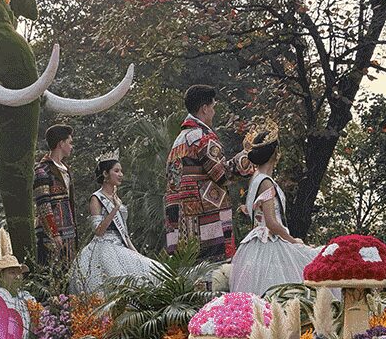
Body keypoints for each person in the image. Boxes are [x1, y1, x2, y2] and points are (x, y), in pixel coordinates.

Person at [229, 122, 320, 296]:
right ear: (274, 154)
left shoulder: (256, 179)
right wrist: (293, 240)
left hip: (256, 245)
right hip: (269, 242)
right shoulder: (265, 182)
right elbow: (271, 222)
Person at [70, 152, 159, 295]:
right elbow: (98, 231)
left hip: (121, 246)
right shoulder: (96, 198)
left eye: (121, 171)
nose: (121, 174)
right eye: (116, 171)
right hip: (103, 246)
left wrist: (136, 254)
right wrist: (115, 208)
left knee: (150, 270)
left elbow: (124, 233)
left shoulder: (116, 197)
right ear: (105, 174)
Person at [165, 85, 237, 260]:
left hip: (180, 227)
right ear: (204, 108)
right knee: (214, 278)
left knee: (190, 280)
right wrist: (248, 157)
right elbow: (222, 174)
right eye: (213, 107)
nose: (213, 112)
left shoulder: (179, 141)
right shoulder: (202, 137)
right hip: (207, 227)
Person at [34, 124, 78, 266]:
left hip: (69, 231)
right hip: (51, 235)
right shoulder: (42, 170)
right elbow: (43, 205)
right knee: (51, 275)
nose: (72, 146)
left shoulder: (66, 169)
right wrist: (54, 233)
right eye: (70, 142)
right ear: (61, 143)